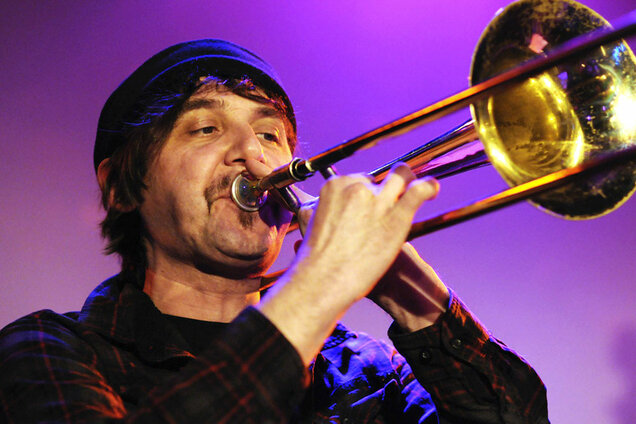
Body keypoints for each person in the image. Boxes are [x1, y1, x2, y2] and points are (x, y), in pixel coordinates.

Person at [0, 39, 549, 423]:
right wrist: (323, 282)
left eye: (270, 135)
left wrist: (412, 291)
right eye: (207, 127)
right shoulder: (48, 348)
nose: (253, 156)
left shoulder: (370, 368)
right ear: (121, 186)